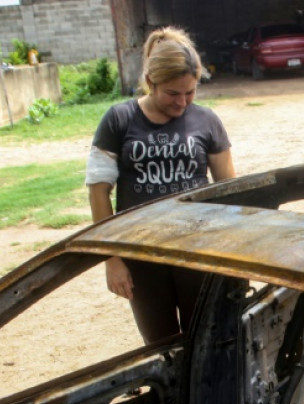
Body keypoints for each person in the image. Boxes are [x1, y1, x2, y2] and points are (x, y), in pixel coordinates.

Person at [85, 26, 236, 344]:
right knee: (160, 345)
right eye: (172, 93)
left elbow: (231, 192)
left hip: (199, 252)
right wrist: (112, 260)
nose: (182, 102)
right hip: (143, 257)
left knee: (206, 342)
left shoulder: (207, 121)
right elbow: (98, 191)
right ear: (150, 82)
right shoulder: (118, 120)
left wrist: (233, 255)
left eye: (190, 92)